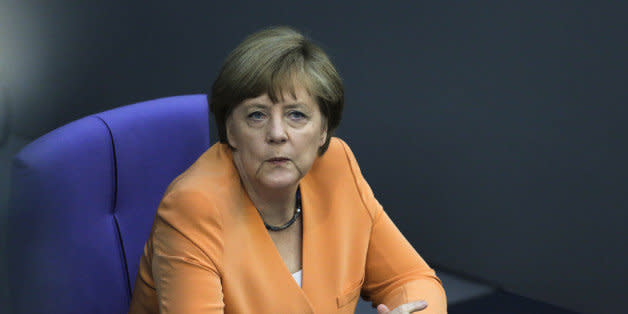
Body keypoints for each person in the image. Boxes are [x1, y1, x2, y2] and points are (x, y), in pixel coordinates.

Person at [128, 26, 447, 313]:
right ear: (231, 130)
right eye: (257, 115)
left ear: (324, 130)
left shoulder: (335, 165)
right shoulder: (193, 206)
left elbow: (411, 278)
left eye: (296, 115)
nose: (277, 133)